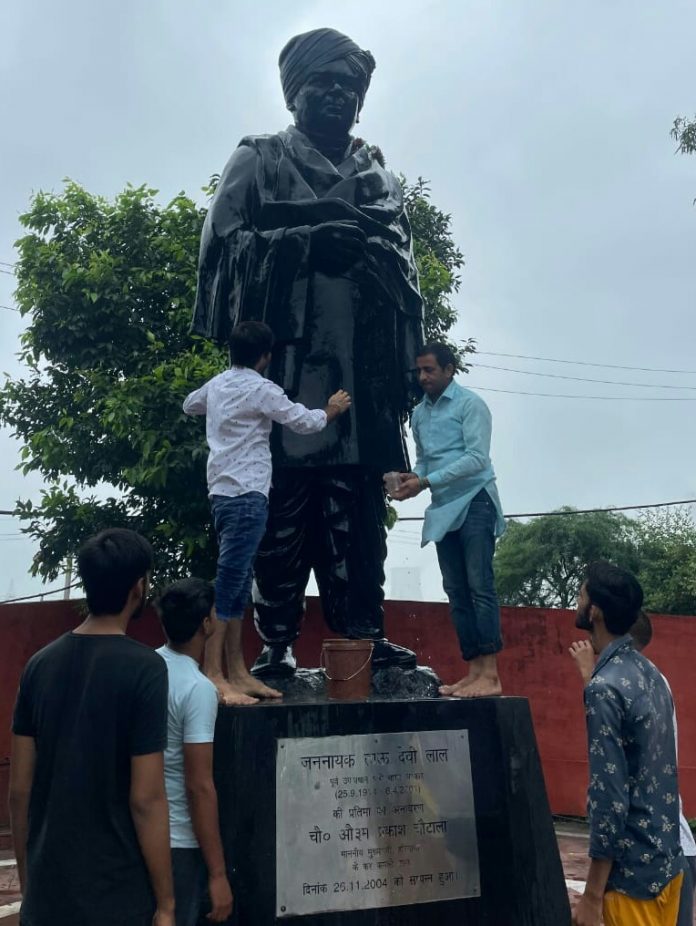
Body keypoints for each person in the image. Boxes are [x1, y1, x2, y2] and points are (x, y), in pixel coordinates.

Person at [191, 27, 423, 679]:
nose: (337, 96)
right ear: (295, 91)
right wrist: (303, 244)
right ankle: (277, 644)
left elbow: (403, 257)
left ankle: (364, 635)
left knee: (355, 512)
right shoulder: (257, 158)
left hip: (358, 374)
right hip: (286, 371)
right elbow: (220, 251)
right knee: (284, 513)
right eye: (323, 84)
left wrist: (372, 253)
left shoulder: (374, 169)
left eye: (349, 88)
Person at [9, 528, 174, 926]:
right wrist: (167, 903)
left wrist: (32, 885)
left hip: (48, 895)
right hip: (116, 896)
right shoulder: (146, 669)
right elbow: (146, 798)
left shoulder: (39, 665)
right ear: (139, 587)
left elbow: (19, 790)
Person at [183, 320, 351, 703]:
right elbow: (305, 423)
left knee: (239, 581)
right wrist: (333, 408)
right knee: (229, 582)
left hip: (222, 493)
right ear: (265, 356)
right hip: (248, 494)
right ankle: (214, 673)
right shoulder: (261, 389)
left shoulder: (218, 385)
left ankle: (237, 672)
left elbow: (189, 404)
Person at [389, 342, 506, 698]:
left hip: (475, 500)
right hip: (443, 508)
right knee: (456, 592)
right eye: (420, 371)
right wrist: (412, 480)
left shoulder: (471, 405)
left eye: (430, 370)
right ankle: (474, 671)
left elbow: (477, 460)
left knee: (479, 586)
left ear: (449, 370)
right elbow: (425, 462)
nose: (422, 377)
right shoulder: (420, 414)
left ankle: (491, 675)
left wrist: (425, 481)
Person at [571, 561, 683, 926]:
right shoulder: (651, 674)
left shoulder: (605, 688)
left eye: (581, 595)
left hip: (631, 882)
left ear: (596, 612)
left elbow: (610, 799)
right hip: (668, 867)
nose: (577, 601)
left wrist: (591, 897)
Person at [154, 578, 234, 926]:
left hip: (140, 830)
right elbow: (199, 785)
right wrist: (218, 874)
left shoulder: (147, 667)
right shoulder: (197, 689)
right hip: (180, 844)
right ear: (206, 624)